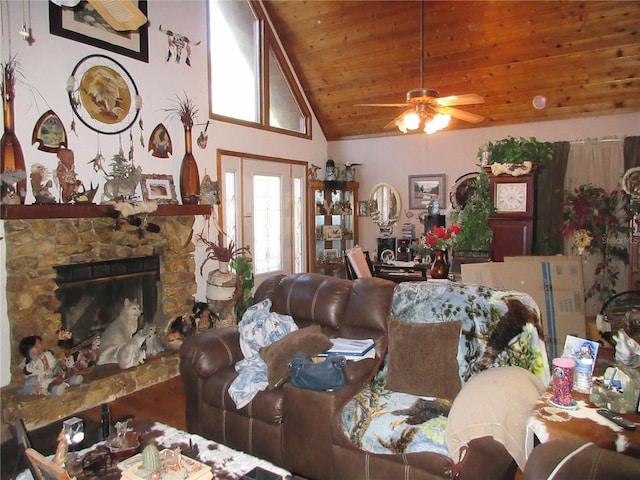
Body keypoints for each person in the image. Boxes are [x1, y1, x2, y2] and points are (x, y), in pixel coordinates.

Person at [18, 335, 83, 396]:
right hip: (42, 381)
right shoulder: (30, 362)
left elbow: (53, 364)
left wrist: (57, 368)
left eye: (40, 344)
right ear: (28, 352)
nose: (40, 346)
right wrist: (34, 359)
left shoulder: (46, 354)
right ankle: (55, 389)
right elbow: (27, 371)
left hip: (51, 374)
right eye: (36, 346)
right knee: (52, 383)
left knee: (63, 375)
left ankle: (71, 380)